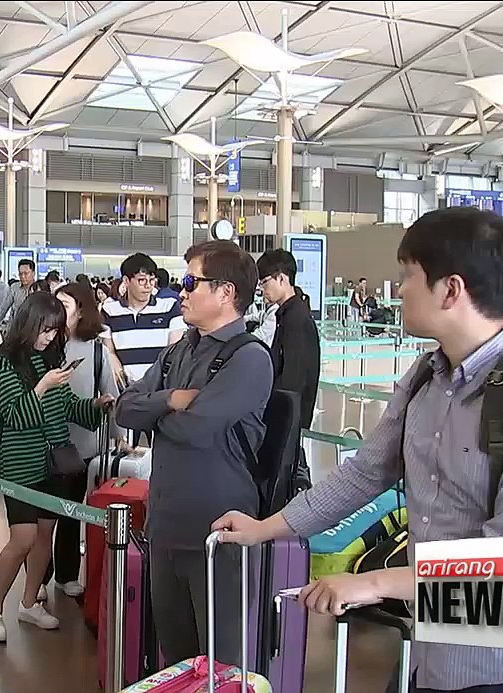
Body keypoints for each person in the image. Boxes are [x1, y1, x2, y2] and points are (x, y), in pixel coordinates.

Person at [213, 207, 503, 693]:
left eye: (406, 277)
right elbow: (365, 473)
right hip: (436, 650)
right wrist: (266, 528)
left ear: (450, 289)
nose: (396, 291)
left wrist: (372, 582)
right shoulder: (425, 376)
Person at [115, 240, 273, 666]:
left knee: (220, 668)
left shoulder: (249, 358)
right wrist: (172, 399)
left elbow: (196, 428)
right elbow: (125, 407)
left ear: (225, 292)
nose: (180, 292)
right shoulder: (178, 352)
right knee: (176, 662)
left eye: (190, 282)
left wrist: (159, 411)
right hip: (165, 527)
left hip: (218, 531)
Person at [0, 292, 110, 643]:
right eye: (45, 330)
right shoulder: (3, 361)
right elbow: (15, 415)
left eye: (55, 331)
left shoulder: (50, 358)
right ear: (28, 323)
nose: (50, 338)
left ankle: (29, 603)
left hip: (53, 462)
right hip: (19, 464)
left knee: (43, 538)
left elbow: (67, 407)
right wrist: (42, 385)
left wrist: (97, 405)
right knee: (21, 539)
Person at [46, 282, 126, 597]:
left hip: (83, 446)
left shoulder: (95, 350)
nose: (57, 311)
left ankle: (65, 575)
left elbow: (110, 393)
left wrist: (119, 434)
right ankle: (38, 578)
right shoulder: (45, 344)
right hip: (45, 443)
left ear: (81, 310)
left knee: (70, 514)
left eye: (64, 305)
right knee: (40, 519)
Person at [256, 248, 321, 486]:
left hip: (289, 417)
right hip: (287, 415)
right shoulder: (288, 314)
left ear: (282, 278)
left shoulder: (295, 319)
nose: (263, 290)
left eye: (265, 282)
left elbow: (294, 375)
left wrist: (282, 418)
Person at [101, 252, 186, 387]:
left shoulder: (170, 307)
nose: (148, 286)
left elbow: (174, 350)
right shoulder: (109, 311)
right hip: (126, 389)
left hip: (160, 388)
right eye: (142, 280)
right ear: (126, 281)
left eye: (152, 280)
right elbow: (109, 351)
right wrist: (121, 378)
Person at [0, 259, 35, 328]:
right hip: (15, 329)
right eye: (20, 274)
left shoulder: (39, 288)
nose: (23, 276)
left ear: (33, 273)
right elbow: (4, 307)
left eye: (26, 273)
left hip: (32, 329)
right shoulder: (14, 288)